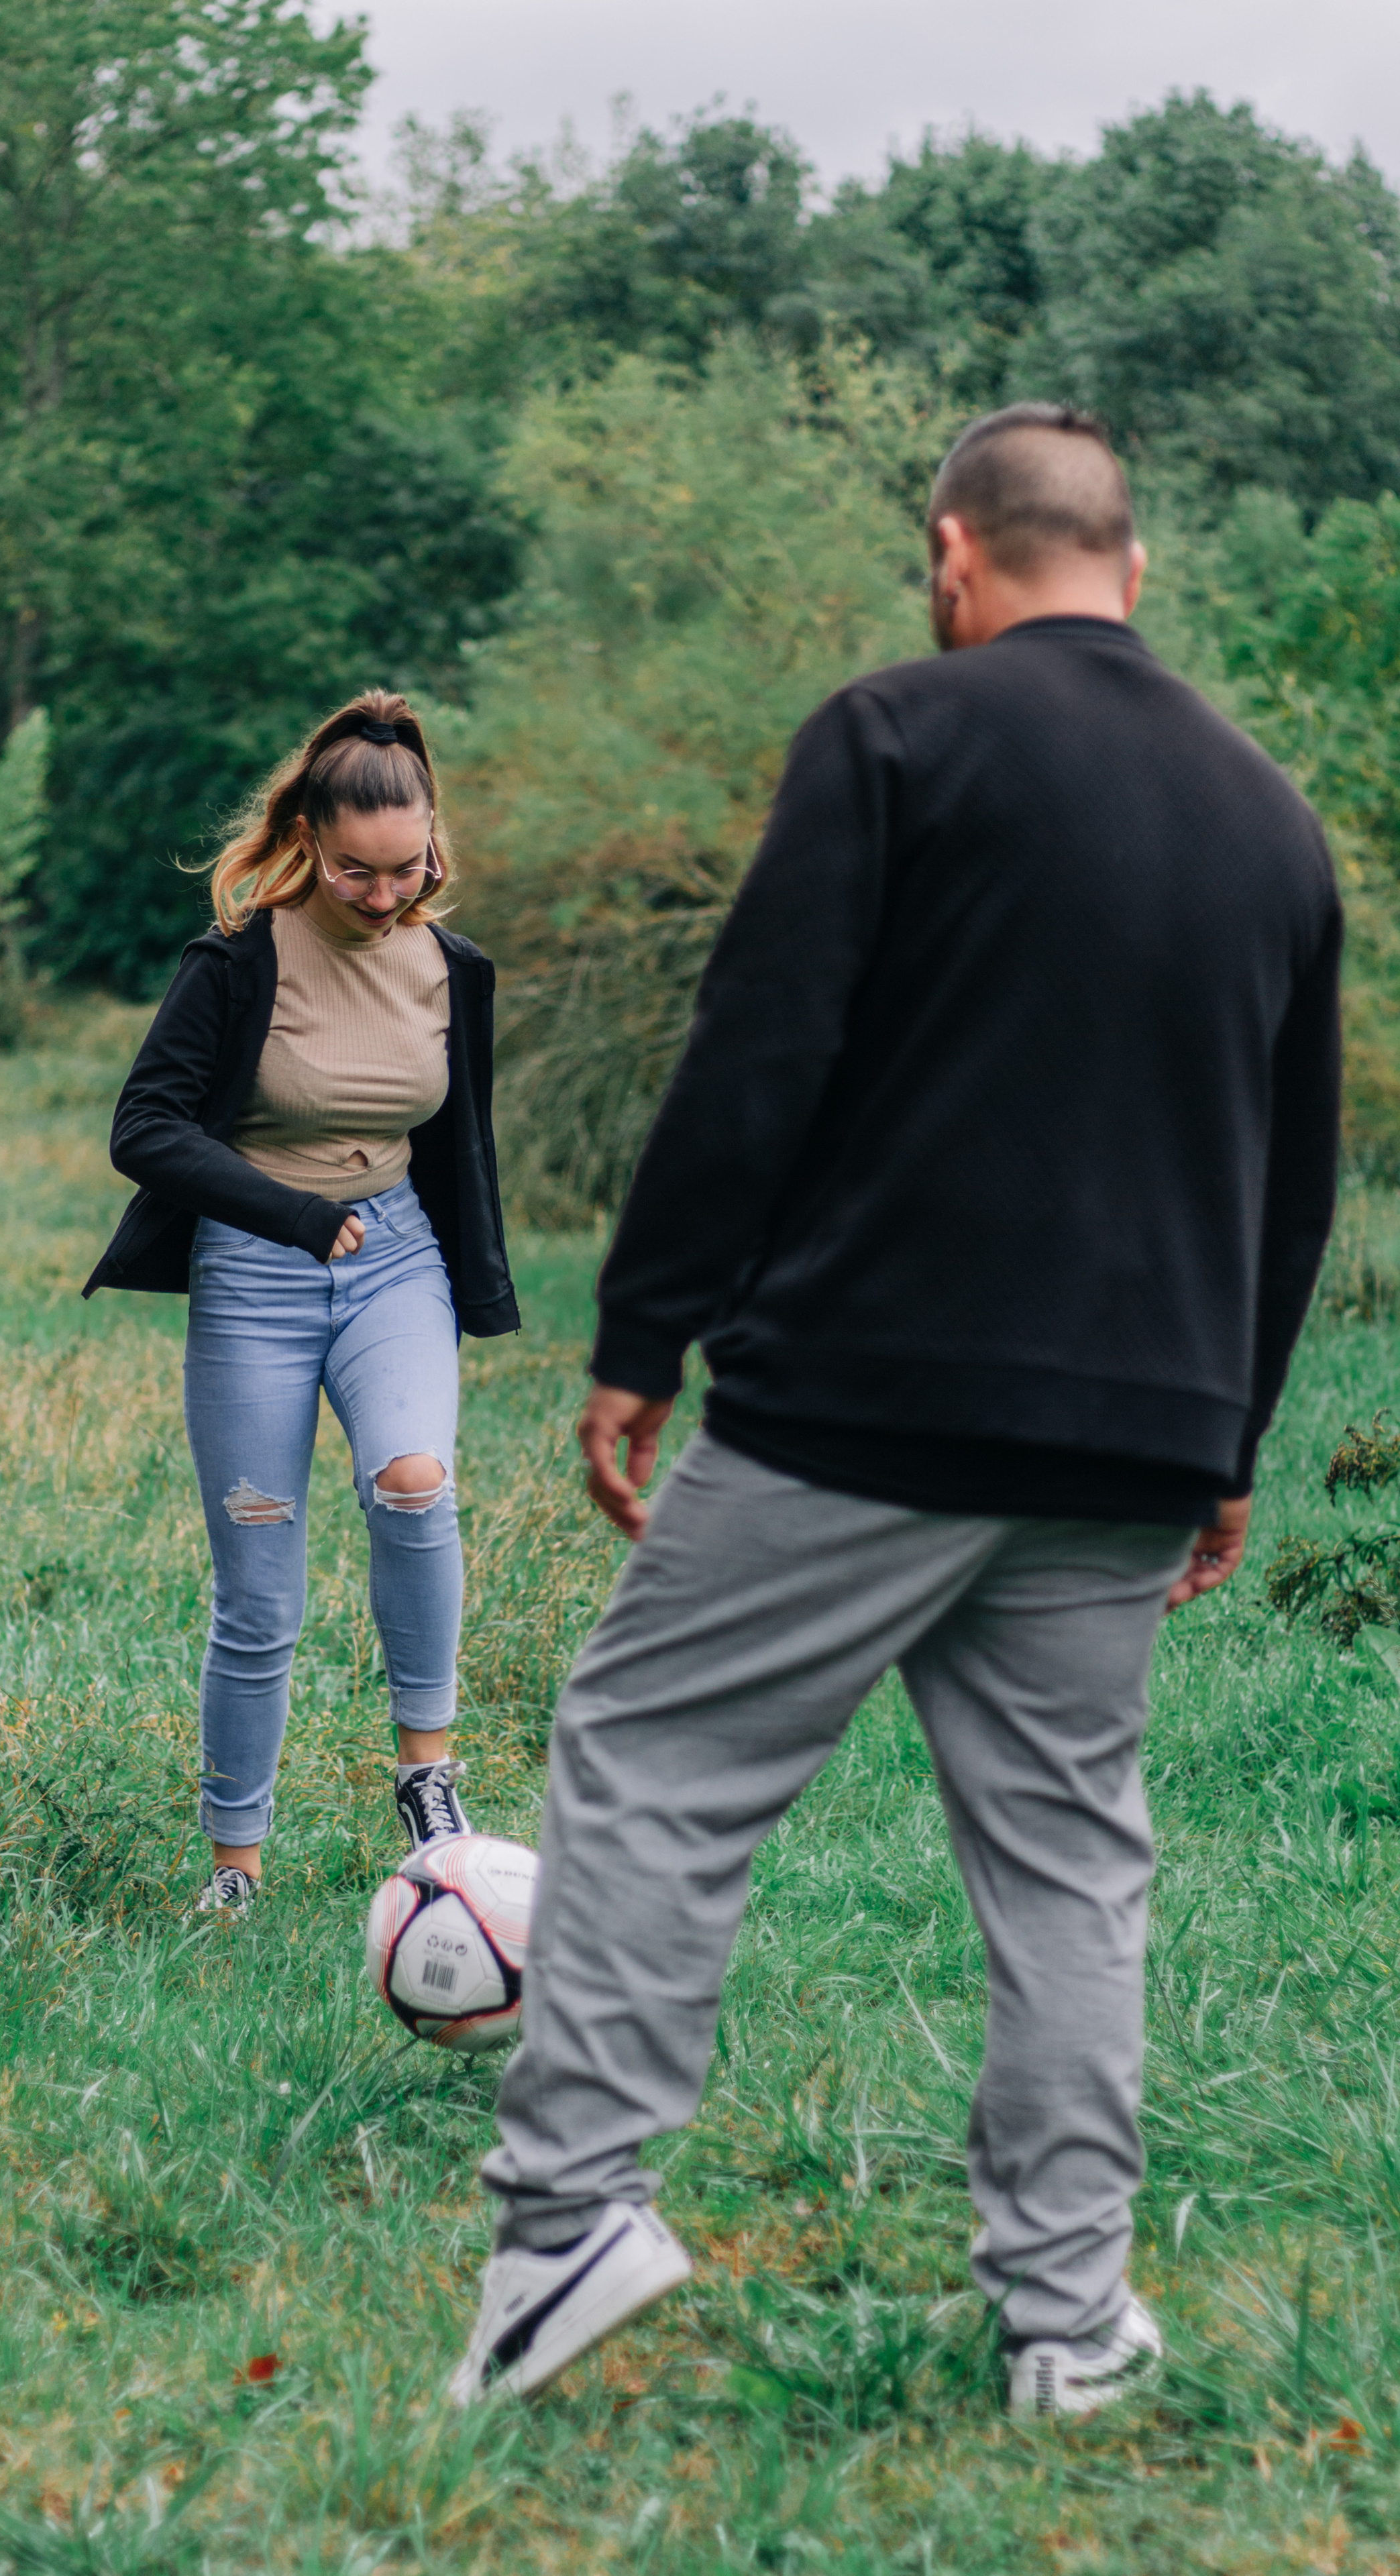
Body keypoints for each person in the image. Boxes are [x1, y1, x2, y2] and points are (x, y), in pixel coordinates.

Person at [447, 406, 1342, 2418]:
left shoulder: (898, 736)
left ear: (957, 555)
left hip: (864, 1400)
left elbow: (762, 1047)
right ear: (1139, 568)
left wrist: (639, 1339)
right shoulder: (1276, 823)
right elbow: (1294, 1183)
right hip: (1135, 1435)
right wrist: (1230, 1442)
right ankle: (1069, 2329)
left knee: (659, 1753)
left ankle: (569, 2223)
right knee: (1069, 1867)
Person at [84, 691, 519, 1913]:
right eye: (354, 872)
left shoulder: (452, 969)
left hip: (394, 1259)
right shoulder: (238, 963)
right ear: (307, 842)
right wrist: (285, 1214)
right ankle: (236, 1868)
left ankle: (428, 1777)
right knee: (260, 1586)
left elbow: (458, 1144)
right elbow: (145, 1128)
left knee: (415, 1482)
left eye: (407, 868)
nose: (384, 896)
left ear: (434, 839)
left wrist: (453, 1267)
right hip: (256, 1273)